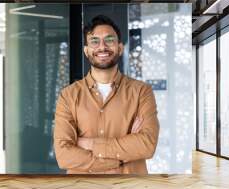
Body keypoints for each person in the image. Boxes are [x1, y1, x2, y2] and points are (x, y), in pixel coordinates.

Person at [53, 15, 159, 174]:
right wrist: (120, 156)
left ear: (120, 47)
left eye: (109, 40)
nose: (102, 47)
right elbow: (63, 155)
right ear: (86, 50)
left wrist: (89, 144)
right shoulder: (68, 96)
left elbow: (147, 145)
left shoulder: (142, 92)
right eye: (94, 41)